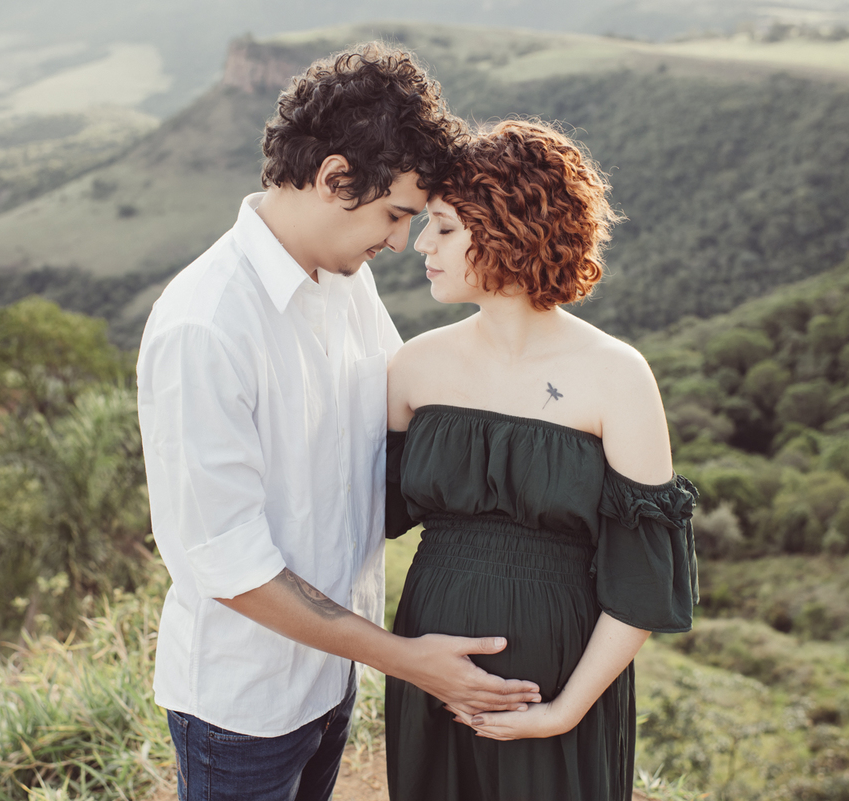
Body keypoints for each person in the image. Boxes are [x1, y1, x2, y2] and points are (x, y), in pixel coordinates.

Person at [136, 44, 541, 801]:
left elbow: (402, 417)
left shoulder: (342, 281)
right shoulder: (205, 326)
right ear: (333, 177)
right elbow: (231, 567)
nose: (399, 241)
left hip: (331, 680)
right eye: (394, 214)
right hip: (242, 710)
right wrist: (407, 658)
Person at [385, 119, 700, 801]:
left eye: (442, 227)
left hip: (562, 681)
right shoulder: (412, 367)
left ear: (502, 227)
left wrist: (564, 710)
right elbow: (358, 512)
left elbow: (641, 581)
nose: (420, 244)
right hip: (429, 665)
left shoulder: (617, 375)